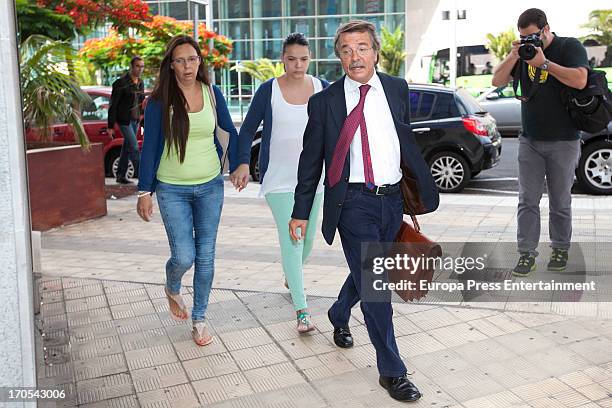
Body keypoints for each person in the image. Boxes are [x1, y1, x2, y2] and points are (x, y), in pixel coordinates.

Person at [288, 20, 439, 402]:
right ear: (338, 56)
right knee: (377, 287)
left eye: (362, 48)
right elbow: (311, 161)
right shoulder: (325, 102)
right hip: (352, 203)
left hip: (392, 201)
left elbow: (401, 140)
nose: (355, 56)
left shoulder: (396, 89)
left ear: (375, 52)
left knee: (369, 271)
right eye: (346, 50)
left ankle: (339, 313)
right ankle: (392, 372)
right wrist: (300, 211)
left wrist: (415, 188)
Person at [136, 35, 241, 346]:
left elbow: (229, 132)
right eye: (180, 60)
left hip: (210, 186)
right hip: (172, 189)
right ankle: (172, 286)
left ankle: (199, 319)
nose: (187, 66)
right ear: (171, 64)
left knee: (206, 256)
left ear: (200, 62)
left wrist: (240, 164)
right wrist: (144, 192)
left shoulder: (212, 93)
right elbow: (150, 147)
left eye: (192, 59)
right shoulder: (158, 102)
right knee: (184, 256)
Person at [231, 33, 329, 334]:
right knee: (293, 239)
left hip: (315, 179)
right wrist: (244, 163)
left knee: (309, 238)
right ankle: (301, 311)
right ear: (282, 60)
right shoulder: (268, 90)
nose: (297, 65)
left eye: (303, 59)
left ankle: (291, 272)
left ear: (310, 58)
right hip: (279, 180)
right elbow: (247, 130)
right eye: (291, 59)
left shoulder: (322, 88)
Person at [492, 8, 588, 276]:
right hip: (530, 140)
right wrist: (514, 54)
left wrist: (544, 64)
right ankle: (526, 254)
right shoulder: (523, 54)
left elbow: (580, 80)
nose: (529, 42)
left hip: (564, 139)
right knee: (527, 200)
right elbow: (497, 80)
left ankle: (560, 249)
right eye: (523, 37)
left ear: (546, 29)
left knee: (560, 200)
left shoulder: (569, 46)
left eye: (533, 36)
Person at [108, 56, 145, 184]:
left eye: (142, 66)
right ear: (131, 67)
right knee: (134, 146)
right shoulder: (120, 83)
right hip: (124, 120)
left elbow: (141, 101)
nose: (140, 69)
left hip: (135, 120)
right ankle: (143, 177)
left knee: (127, 147)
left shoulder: (140, 82)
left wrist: (141, 115)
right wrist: (110, 126)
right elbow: (113, 105)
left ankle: (120, 175)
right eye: (137, 66)